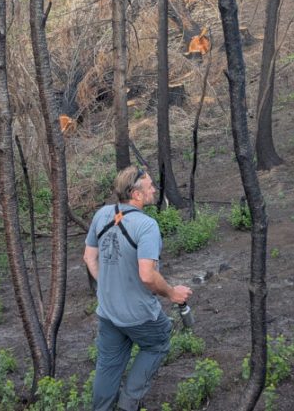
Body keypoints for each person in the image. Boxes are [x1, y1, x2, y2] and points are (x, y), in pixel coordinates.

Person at [83, 166, 192, 411]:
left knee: (108, 365)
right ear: (137, 195)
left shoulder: (102, 215)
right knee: (158, 341)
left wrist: (108, 286)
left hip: (108, 312)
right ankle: (128, 405)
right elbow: (147, 275)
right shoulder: (146, 225)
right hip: (139, 314)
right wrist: (173, 293)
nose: (154, 188)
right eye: (150, 185)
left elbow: (89, 257)